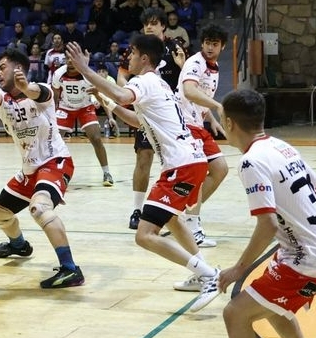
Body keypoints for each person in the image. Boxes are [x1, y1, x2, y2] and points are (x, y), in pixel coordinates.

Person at [67, 35, 218, 312]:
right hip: (190, 161)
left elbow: (124, 94)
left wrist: (86, 70)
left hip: (181, 165)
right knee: (171, 219)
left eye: (132, 53)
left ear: (144, 58)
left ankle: (210, 276)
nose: (129, 58)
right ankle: (203, 270)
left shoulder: (143, 82)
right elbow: (139, 121)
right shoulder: (159, 83)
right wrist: (108, 103)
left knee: (144, 234)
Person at [218, 88, 316, 338]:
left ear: (230, 123)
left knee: (235, 314)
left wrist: (238, 268)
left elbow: (268, 225)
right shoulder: (281, 147)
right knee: (267, 299)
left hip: (308, 259)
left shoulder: (251, 162)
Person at [0, 49, 84, 289]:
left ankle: (70, 269)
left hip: (54, 161)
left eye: (2, 67)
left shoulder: (41, 90)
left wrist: (26, 86)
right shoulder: (2, 98)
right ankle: (18, 245)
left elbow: (37, 93)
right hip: (29, 170)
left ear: (18, 69)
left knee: (39, 208)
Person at [119, 8, 186, 232]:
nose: (149, 26)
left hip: (171, 115)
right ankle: (137, 209)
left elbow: (187, 77)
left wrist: (182, 66)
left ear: (163, 27)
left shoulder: (175, 47)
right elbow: (122, 75)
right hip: (147, 109)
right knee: (144, 156)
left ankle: (176, 213)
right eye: (146, 23)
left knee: (175, 161)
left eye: (154, 23)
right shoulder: (136, 49)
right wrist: (126, 93)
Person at [172, 26, 230, 274]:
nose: (209, 47)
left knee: (220, 169)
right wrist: (218, 106)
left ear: (222, 47)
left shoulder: (214, 68)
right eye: (207, 42)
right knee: (203, 172)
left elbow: (200, 98)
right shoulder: (196, 62)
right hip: (184, 124)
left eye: (215, 44)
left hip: (197, 123)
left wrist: (213, 120)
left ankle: (187, 217)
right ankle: (190, 224)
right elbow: (189, 91)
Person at [51, 55, 113, 186]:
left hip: (85, 107)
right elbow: (55, 95)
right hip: (65, 108)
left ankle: (106, 172)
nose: (69, 61)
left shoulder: (88, 75)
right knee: (55, 140)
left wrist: (111, 117)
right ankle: (56, 172)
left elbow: (100, 96)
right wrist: (52, 114)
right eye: (67, 58)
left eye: (73, 59)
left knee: (96, 138)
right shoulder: (58, 74)